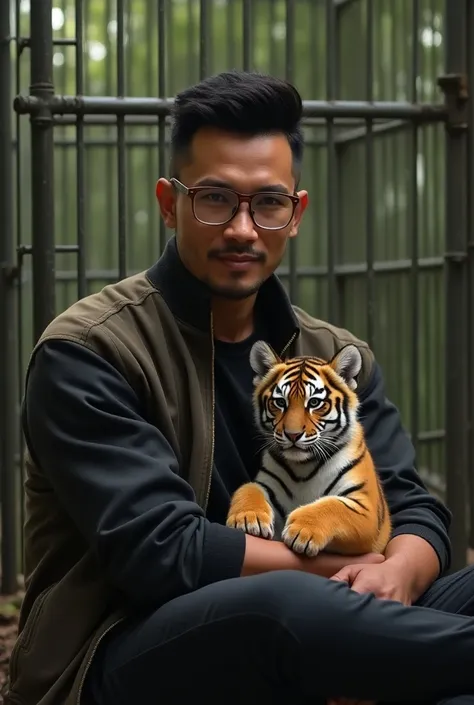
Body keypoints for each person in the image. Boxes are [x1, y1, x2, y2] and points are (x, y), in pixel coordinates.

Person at [6, 70, 474, 705]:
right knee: (280, 607)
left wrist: (396, 572)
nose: (243, 230)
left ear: (296, 212)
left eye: (269, 202)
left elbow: (413, 508)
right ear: (170, 203)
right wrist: (344, 582)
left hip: (322, 618)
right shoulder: (88, 351)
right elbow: (162, 553)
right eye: (216, 198)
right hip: (119, 656)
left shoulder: (332, 357)